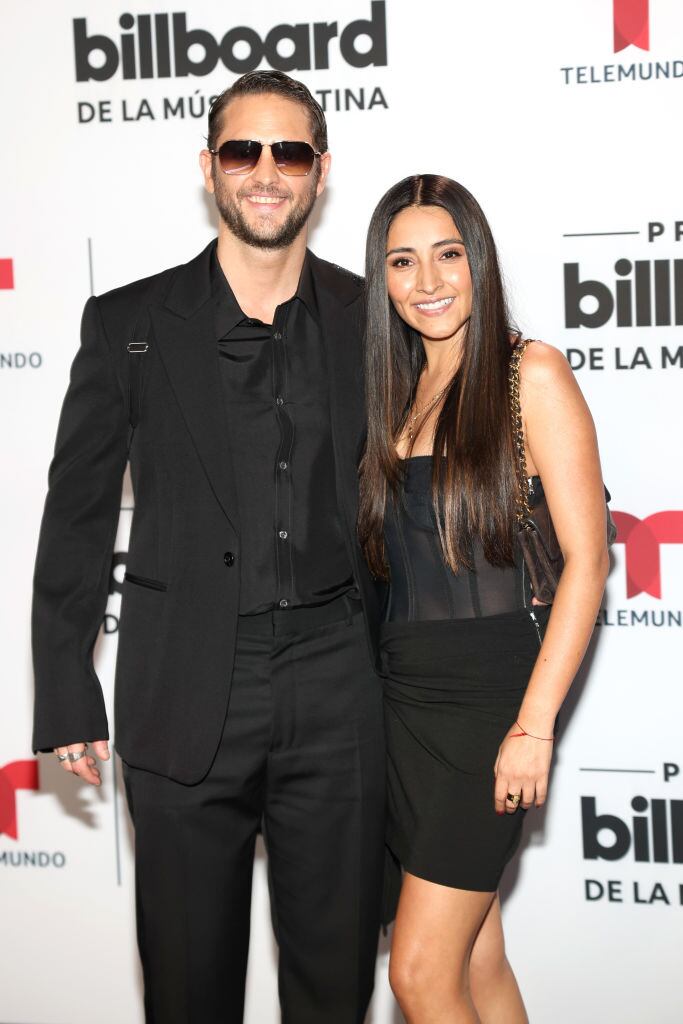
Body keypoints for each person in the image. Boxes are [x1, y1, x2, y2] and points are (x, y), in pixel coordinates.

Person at [32, 70, 386, 1024]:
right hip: (184, 687)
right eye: (242, 151)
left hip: (338, 687)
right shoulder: (128, 326)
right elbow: (75, 513)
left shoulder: (373, 321)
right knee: (187, 989)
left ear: (319, 173)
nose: (265, 173)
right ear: (208, 168)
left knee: (337, 985)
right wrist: (65, 679)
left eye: (289, 153)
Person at [358, 174, 610, 1023]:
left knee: (419, 977)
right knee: (476, 956)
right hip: (402, 700)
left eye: (447, 255)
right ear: (381, 278)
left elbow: (587, 562)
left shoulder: (526, 371)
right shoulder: (391, 392)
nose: (427, 282)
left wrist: (533, 727)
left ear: (479, 261)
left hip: (488, 702)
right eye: (402, 262)